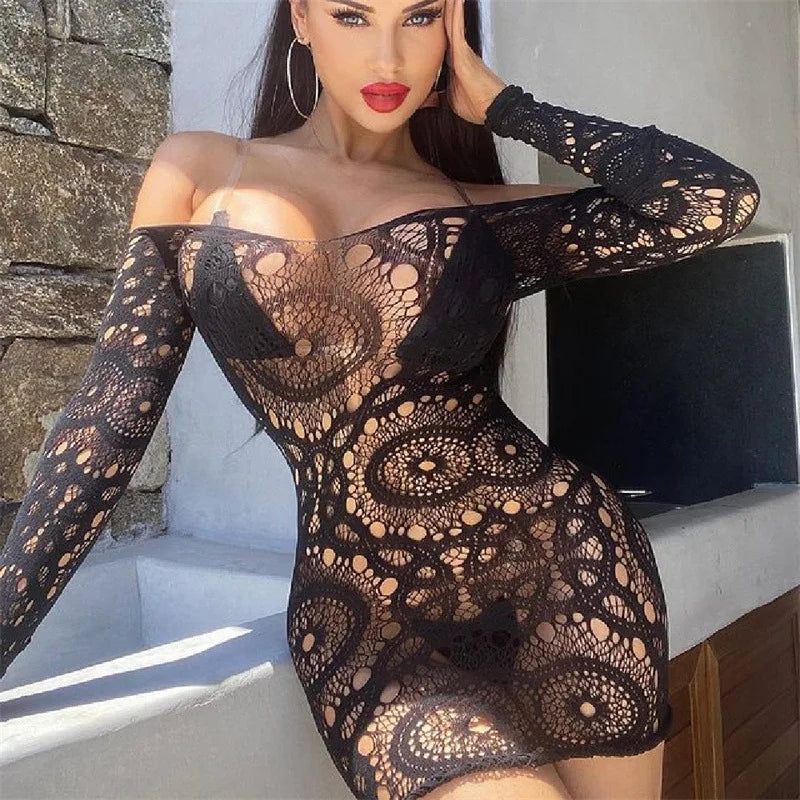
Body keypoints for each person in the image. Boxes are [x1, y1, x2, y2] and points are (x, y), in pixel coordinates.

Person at [0, 0, 760, 798]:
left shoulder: (478, 210)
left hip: (564, 564)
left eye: (420, 17)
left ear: (453, 27)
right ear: (302, 19)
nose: (389, 57)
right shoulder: (198, 170)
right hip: (368, 612)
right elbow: (107, 424)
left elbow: (711, 201)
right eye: (354, 16)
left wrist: (509, 108)